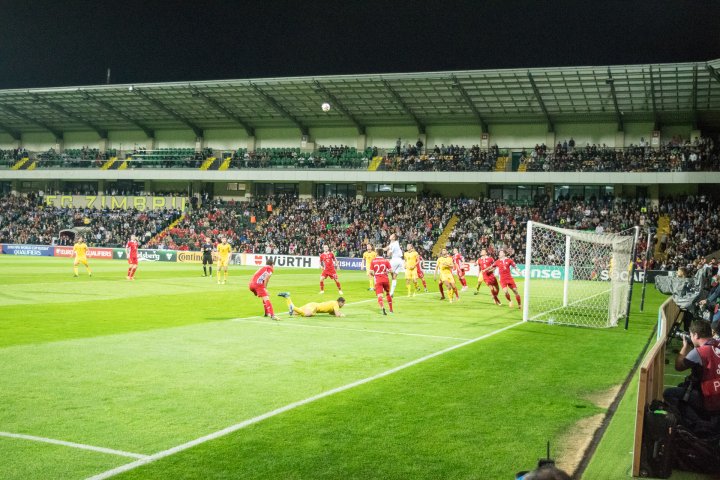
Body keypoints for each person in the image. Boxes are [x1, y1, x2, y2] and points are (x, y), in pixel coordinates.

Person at [663, 320, 720, 430]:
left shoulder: (700, 352)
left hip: (709, 396)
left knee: (669, 394)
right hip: (716, 392)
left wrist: (684, 347)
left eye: (691, 335)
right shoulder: (717, 344)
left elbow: (679, 366)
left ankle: (698, 424)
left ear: (696, 335)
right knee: (683, 388)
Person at [277, 292, 346, 317]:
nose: (343, 305)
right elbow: (337, 315)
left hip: (312, 304)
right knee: (307, 314)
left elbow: (331, 313)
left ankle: (287, 297)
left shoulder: (333, 303)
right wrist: (341, 314)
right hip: (314, 306)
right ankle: (293, 307)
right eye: (343, 303)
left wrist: (337, 313)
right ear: (340, 302)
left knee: (294, 313)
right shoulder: (336, 304)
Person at [369, 248, 394, 315]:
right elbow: (391, 270)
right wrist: (391, 276)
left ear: (377, 253)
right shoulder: (386, 261)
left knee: (380, 295)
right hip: (385, 279)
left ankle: (382, 307)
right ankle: (391, 310)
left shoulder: (373, 261)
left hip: (378, 280)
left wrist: (375, 275)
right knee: (388, 293)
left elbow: (370, 272)